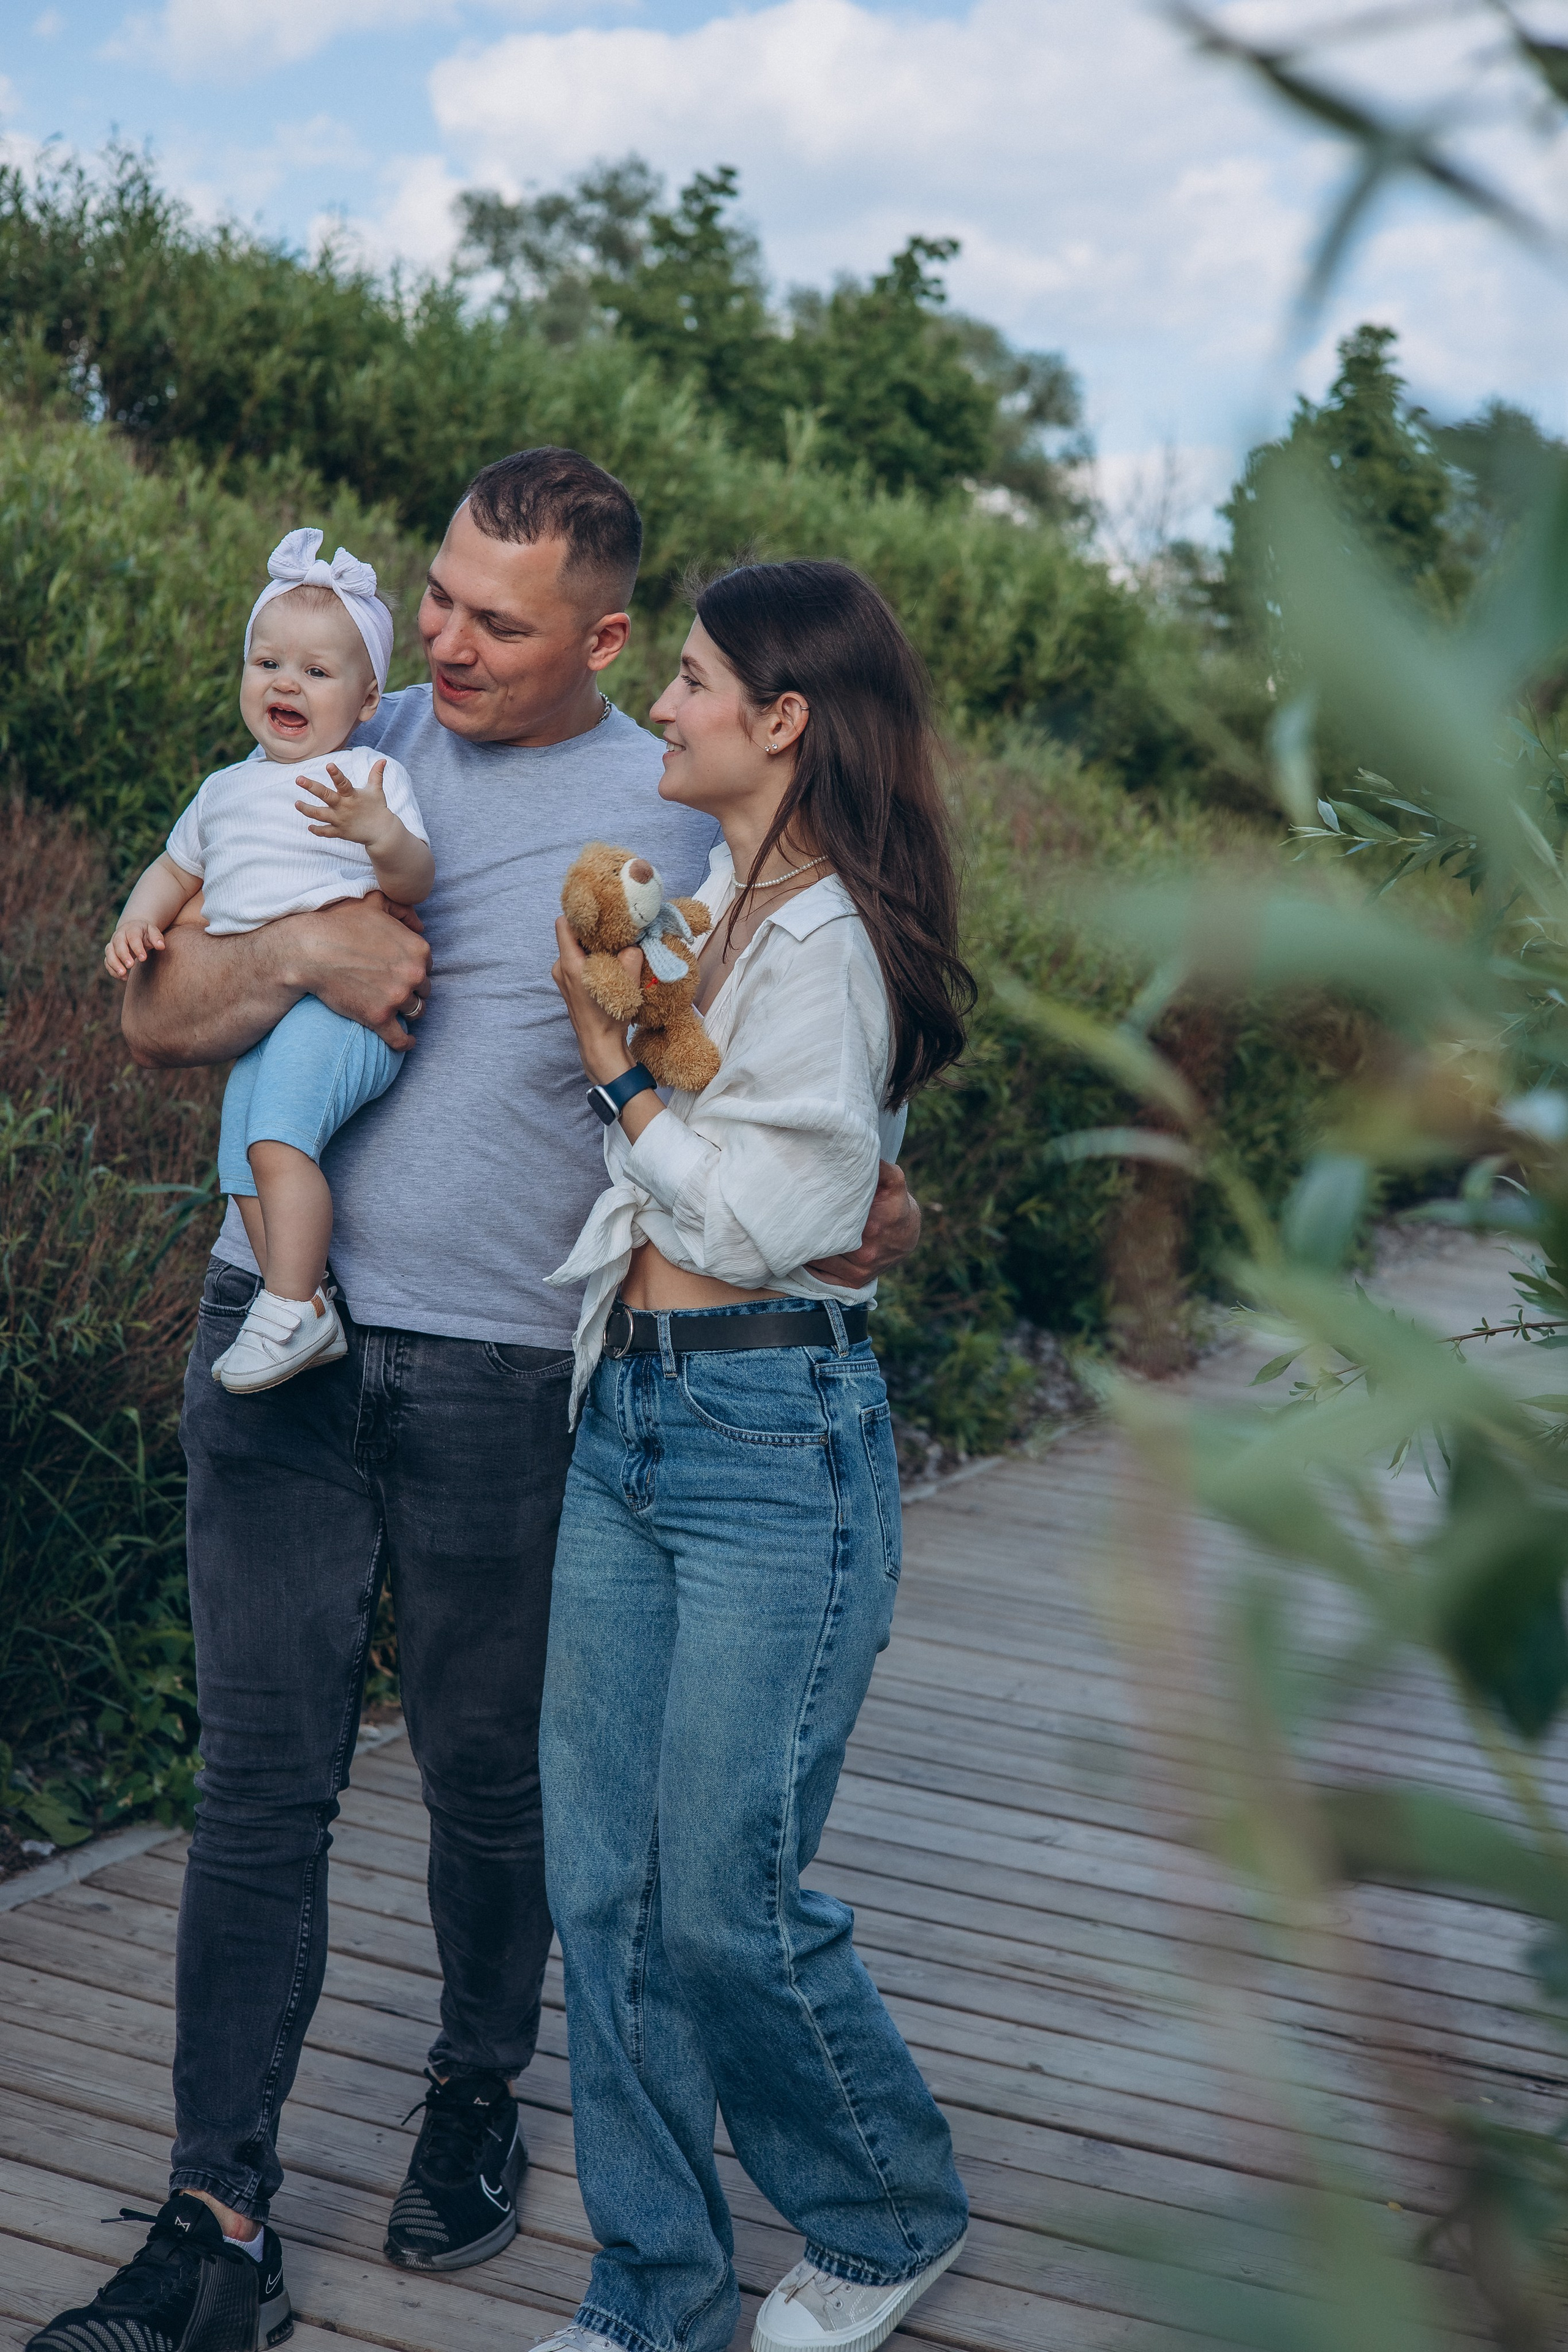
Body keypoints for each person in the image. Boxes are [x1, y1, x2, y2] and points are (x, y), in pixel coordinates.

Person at [26, 451, 924, 2352]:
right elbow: (154, 1018)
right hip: (274, 1333)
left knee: (490, 1783)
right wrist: (297, 950)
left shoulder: (682, 798)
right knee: (256, 1782)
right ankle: (217, 2221)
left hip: (518, 1372)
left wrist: (869, 1188)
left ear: (606, 639)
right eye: (434, 595)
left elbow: (814, 1027)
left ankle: (468, 2087)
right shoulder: (347, 728)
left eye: (492, 623)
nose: (439, 642)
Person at [535, 560, 974, 2352]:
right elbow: (764, 1190)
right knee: (605, 1897)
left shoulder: (833, 942)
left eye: (694, 679)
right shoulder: (714, 905)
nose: (666, 706)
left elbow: (776, 1206)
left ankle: (884, 2211)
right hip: (630, 1403)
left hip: (768, 1439)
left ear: (783, 718)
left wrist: (620, 1084)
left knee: (724, 1899)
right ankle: (655, 2292)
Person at [105, 529, 435, 1394]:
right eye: (268, 664)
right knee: (238, 1161)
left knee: (279, 1141)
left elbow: (416, 876)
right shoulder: (226, 789)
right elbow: (177, 870)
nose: (286, 683)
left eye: (317, 674)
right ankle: (302, 1303)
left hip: (343, 1013)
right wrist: (139, 923)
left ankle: (291, 1303)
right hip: (272, 1007)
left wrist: (381, 836)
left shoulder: (367, 775)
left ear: (367, 701)